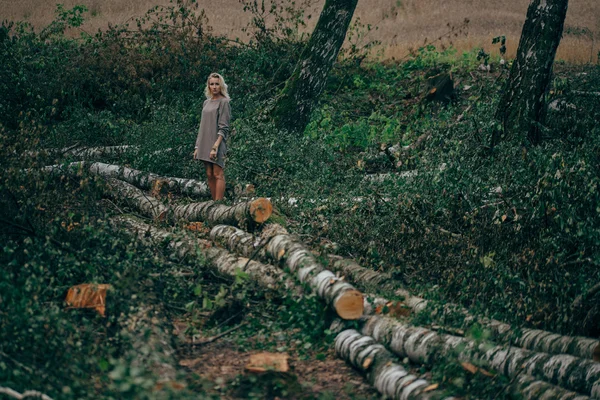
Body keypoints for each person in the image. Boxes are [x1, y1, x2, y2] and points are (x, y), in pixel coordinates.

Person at [193, 72, 231, 201]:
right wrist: (197, 146)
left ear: (221, 86)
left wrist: (215, 146)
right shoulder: (206, 103)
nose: (214, 87)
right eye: (212, 84)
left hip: (217, 143)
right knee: (209, 174)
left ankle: (218, 205)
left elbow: (224, 127)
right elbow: (202, 126)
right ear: (208, 86)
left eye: (217, 84)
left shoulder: (224, 102)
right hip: (204, 142)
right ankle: (213, 203)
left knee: (217, 173)